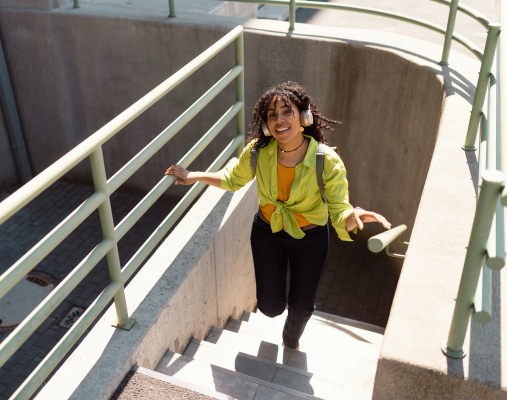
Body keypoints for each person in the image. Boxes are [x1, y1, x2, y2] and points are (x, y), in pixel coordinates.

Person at [165, 81, 390, 350]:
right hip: (267, 233)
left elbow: (340, 210)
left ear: (304, 117)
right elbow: (232, 179)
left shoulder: (325, 160)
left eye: (287, 112)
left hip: (311, 238)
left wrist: (357, 215)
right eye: (272, 115)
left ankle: (290, 339)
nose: (279, 120)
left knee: (302, 306)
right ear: (265, 124)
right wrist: (193, 176)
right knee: (270, 307)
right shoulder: (258, 152)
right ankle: (277, 314)